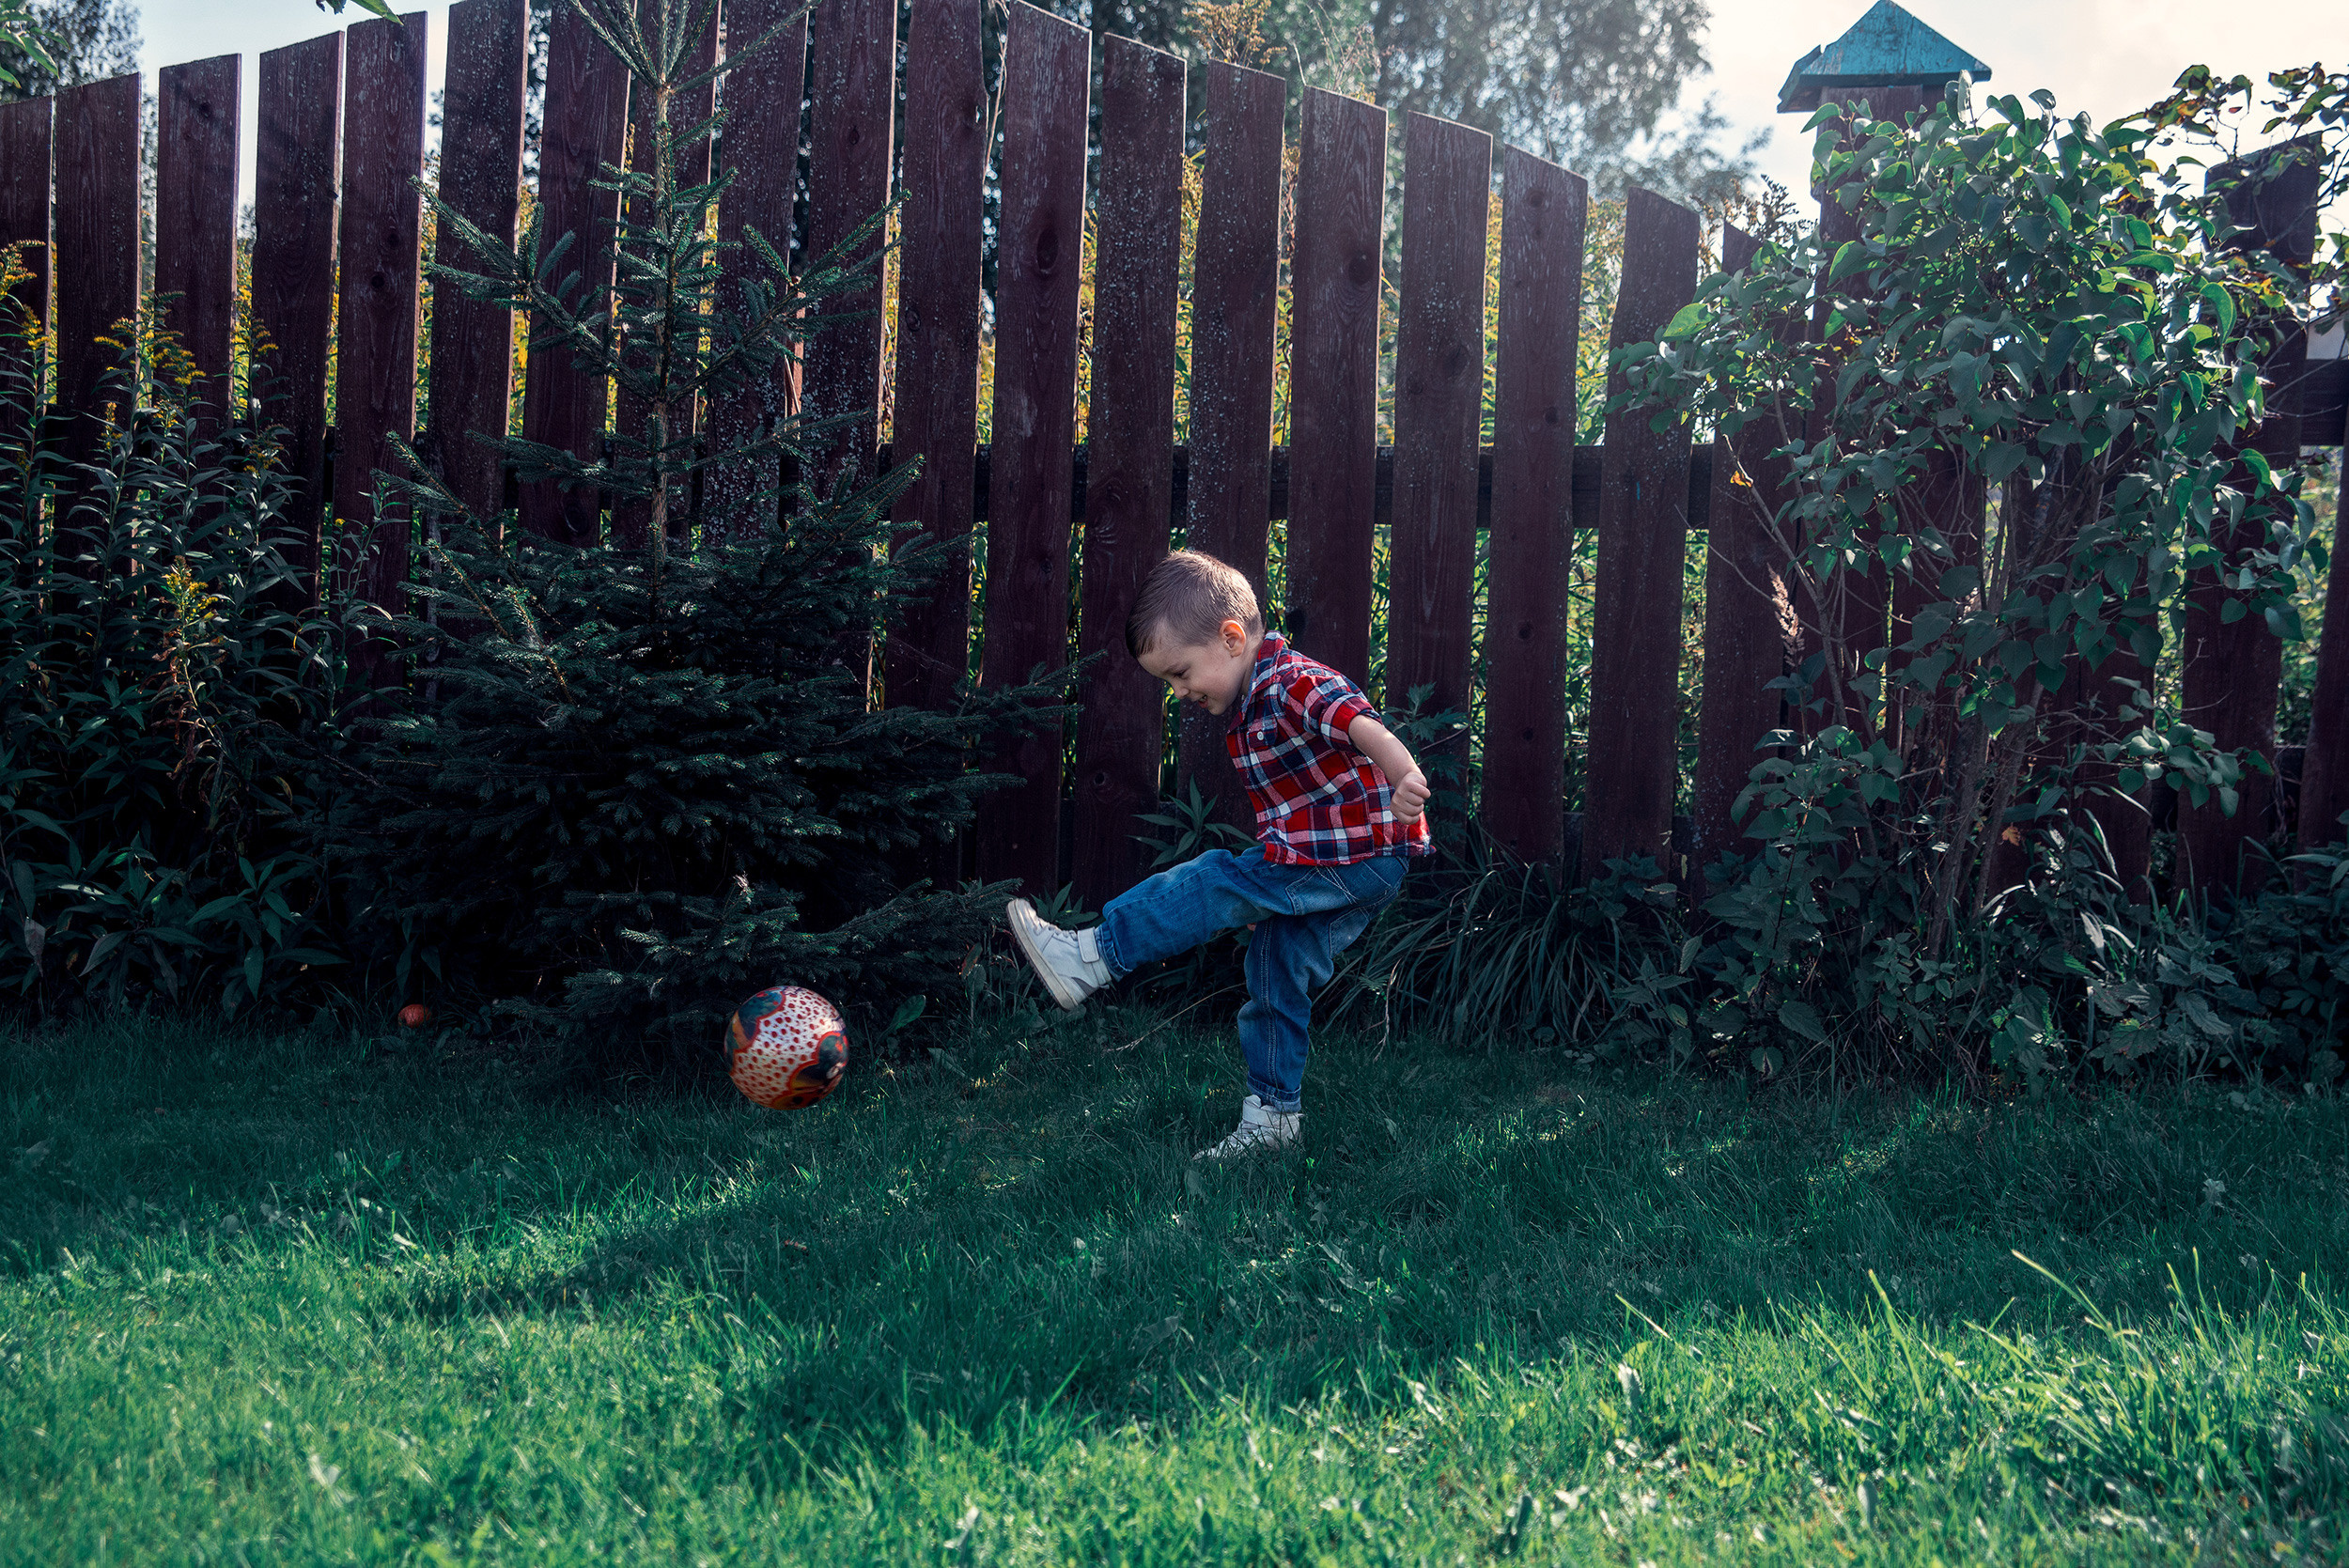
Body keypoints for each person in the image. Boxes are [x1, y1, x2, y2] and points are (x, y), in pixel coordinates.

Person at [1004, 550, 1431, 1161]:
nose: (1178, 692)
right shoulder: (1253, 698)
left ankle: (1092, 956)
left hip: (1358, 851)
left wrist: (1404, 775)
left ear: (1232, 638)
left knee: (1215, 881)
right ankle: (1273, 1120)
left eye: (1180, 673)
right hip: (1348, 859)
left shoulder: (1291, 681)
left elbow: (1360, 722)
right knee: (1276, 966)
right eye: (1169, 683)